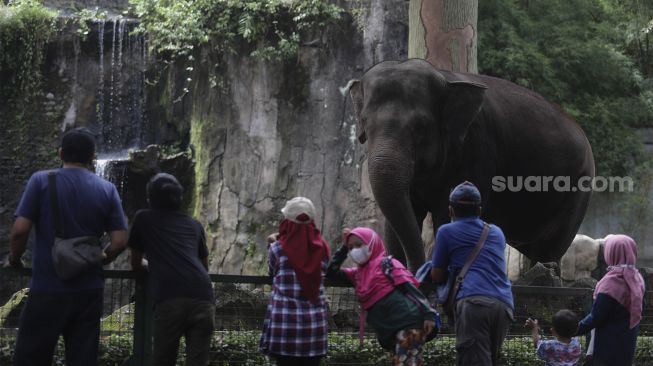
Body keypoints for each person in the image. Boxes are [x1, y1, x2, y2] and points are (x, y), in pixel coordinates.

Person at [5, 127, 129, 366]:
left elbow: (20, 231)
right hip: (89, 290)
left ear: (61, 154)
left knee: (31, 357)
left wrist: (14, 259)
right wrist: (102, 259)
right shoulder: (107, 189)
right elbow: (120, 241)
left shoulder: (41, 180)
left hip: (47, 288)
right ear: (93, 157)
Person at [129, 173, 215, 366]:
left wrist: (152, 266)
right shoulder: (194, 224)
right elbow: (204, 266)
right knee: (198, 362)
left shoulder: (144, 218)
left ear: (150, 197)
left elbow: (135, 262)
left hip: (170, 298)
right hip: (203, 296)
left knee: (164, 360)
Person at [430, 181, 514, 366]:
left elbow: (436, 275)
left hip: (474, 302)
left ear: (451, 211)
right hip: (503, 305)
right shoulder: (497, 232)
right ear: (479, 210)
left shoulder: (446, 231)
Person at [327, 227, 437, 366]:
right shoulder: (357, 275)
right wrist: (343, 248)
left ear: (372, 244)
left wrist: (429, 314)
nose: (355, 250)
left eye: (359, 245)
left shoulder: (388, 264)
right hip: (390, 332)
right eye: (351, 247)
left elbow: (412, 290)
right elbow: (331, 272)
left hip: (409, 325)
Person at [259, 197, 331, 366]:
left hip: (284, 327)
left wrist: (272, 242)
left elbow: (272, 272)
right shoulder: (323, 249)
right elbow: (325, 271)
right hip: (314, 328)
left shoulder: (277, 249)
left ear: (287, 222)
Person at [576, 234, 645, 366]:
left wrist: (573, 329)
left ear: (611, 253)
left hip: (607, 347)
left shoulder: (611, 282)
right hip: (627, 342)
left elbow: (596, 316)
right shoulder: (637, 279)